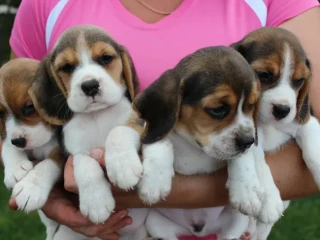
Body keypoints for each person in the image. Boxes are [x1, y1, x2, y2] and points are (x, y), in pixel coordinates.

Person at [6, 0, 320, 239]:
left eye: (105, 59)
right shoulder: (45, 5)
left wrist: (147, 192)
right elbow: (17, 116)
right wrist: (42, 182)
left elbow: (305, 137)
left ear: (126, 68)